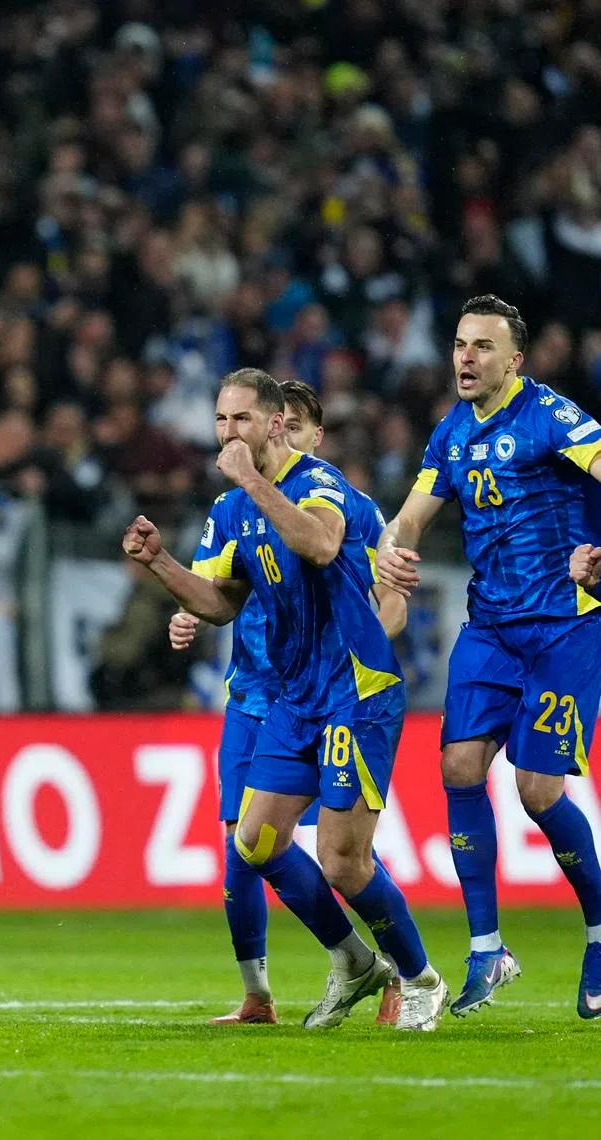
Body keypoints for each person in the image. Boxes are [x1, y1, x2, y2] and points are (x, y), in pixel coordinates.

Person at [125, 368, 449, 1032]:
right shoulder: (229, 510)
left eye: (241, 419)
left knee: (343, 861)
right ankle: (354, 962)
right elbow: (220, 603)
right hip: (293, 697)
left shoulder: (318, 483)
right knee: (255, 843)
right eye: (220, 420)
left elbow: (323, 545)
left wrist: (252, 480)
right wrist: (160, 563)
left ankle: (420, 978)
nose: (228, 433)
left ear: (275, 425)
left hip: (355, 691)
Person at [376, 294, 601, 1021]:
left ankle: (600, 932)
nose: (465, 358)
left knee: (537, 791)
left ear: (515, 360)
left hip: (565, 625)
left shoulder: (551, 416)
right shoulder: (451, 433)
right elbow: (412, 516)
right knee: (459, 766)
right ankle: (486, 949)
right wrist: (392, 551)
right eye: (459, 344)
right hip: (492, 627)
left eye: (482, 346)